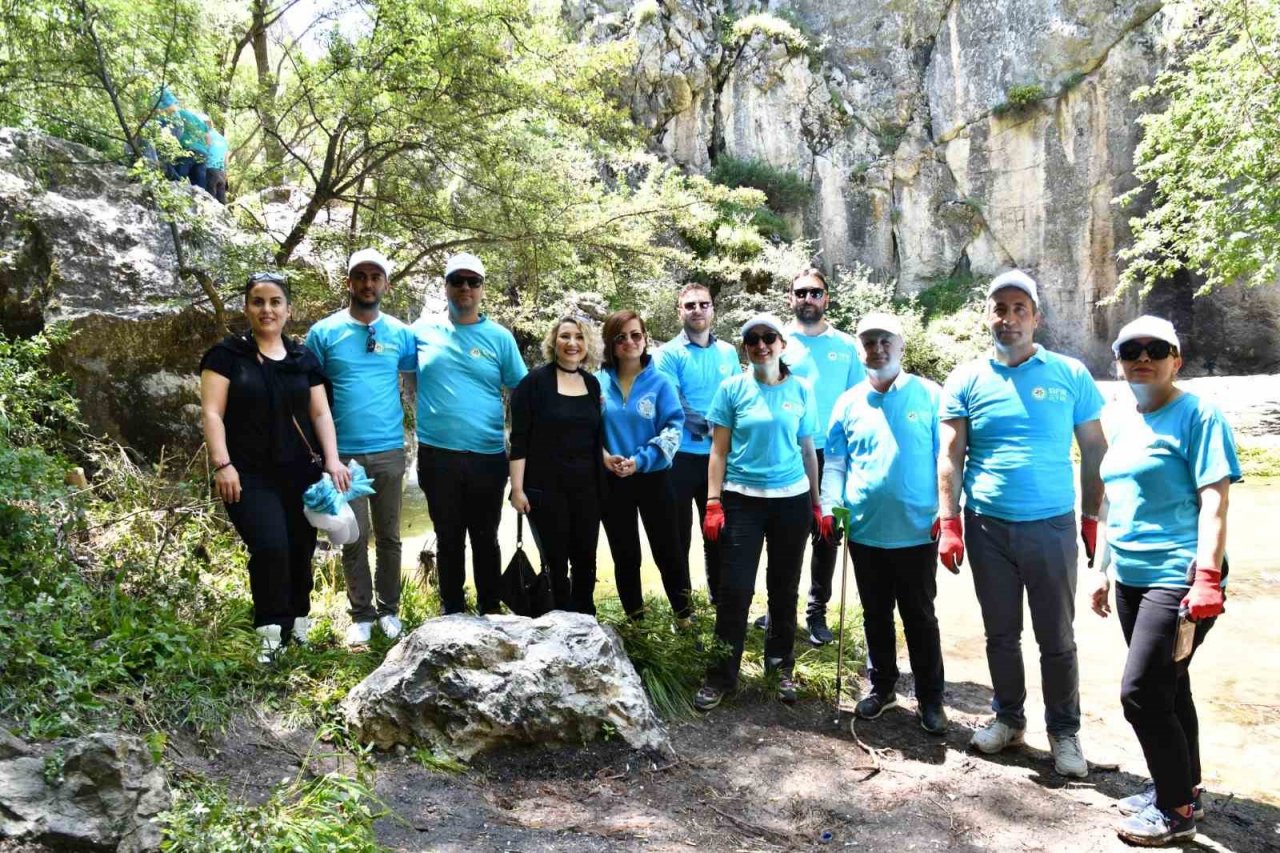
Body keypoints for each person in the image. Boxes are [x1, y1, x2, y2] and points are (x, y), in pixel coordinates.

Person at [937, 269, 1107, 778]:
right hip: (987, 525)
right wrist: (949, 521)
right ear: (987, 315)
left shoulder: (1070, 374)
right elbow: (950, 454)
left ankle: (1064, 732)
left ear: (1036, 317)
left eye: (1019, 309)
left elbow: (1096, 448)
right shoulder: (965, 378)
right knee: (1000, 633)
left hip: (1051, 524)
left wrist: (1092, 515)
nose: (1008, 318)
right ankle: (1009, 720)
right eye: (999, 308)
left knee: (1056, 637)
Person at [1088, 316, 1240, 846]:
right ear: (1120, 363)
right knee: (1170, 687)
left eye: (1157, 349)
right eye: (1132, 350)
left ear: (1177, 358)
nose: (1143, 358)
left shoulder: (1198, 413)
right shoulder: (1125, 418)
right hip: (1131, 576)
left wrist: (1206, 579)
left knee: (1141, 694)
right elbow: (1112, 500)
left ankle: (1174, 811)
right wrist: (1101, 571)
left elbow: (1215, 500)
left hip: (1179, 576)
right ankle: (1183, 787)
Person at [200, 272, 350, 662]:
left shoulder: (303, 358)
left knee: (301, 549)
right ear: (247, 308)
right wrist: (222, 464)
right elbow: (212, 414)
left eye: (275, 302)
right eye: (258, 302)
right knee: (270, 546)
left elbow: (321, 414)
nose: (267, 309)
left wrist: (332, 461)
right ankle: (270, 634)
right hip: (247, 474)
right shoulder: (226, 356)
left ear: (288, 310)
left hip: (300, 474)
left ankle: (298, 625)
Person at [820, 312, 947, 734]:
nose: (876, 348)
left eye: (884, 340)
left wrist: (946, 515)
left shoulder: (930, 396)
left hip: (916, 528)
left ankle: (931, 699)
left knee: (920, 617)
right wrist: (830, 504)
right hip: (865, 528)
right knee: (875, 613)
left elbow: (945, 462)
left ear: (901, 344)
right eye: (868, 341)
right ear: (860, 349)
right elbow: (836, 463)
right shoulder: (847, 401)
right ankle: (883, 687)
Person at [694, 313, 822, 711]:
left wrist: (817, 503)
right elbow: (718, 451)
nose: (761, 345)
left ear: (782, 344)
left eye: (769, 338)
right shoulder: (732, 389)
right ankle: (720, 676)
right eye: (753, 340)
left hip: (791, 502)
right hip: (742, 499)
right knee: (735, 590)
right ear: (745, 348)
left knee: (784, 588)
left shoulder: (801, 390)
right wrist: (713, 502)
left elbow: (808, 450)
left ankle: (780, 666)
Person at [305, 249, 417, 646]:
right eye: (361, 276)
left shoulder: (401, 334)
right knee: (352, 536)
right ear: (349, 282)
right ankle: (362, 614)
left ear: (386, 283)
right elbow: (309, 393)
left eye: (376, 277)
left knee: (389, 535)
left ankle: (389, 611)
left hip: (389, 449)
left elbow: (414, 382)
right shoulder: (323, 333)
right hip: (343, 456)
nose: (368, 284)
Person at [412, 253, 527, 615]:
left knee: (485, 537)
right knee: (448, 538)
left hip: (489, 455)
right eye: (457, 280)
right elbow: (402, 377)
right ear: (445, 286)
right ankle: (453, 609)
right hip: (436, 454)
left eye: (473, 281)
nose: (465, 287)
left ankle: (490, 608)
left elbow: (522, 393)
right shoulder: (420, 332)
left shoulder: (500, 338)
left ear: (481, 289)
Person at [759, 267, 865, 644]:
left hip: (833, 452)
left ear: (826, 299)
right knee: (783, 533)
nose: (808, 299)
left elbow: (859, 401)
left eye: (815, 293)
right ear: (790, 298)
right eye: (800, 292)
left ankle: (816, 614)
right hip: (787, 450)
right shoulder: (778, 341)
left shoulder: (847, 346)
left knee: (827, 534)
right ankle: (777, 607)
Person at [508, 316, 606, 614]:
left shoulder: (591, 384)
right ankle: (559, 619)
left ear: (587, 344)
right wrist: (517, 489)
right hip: (546, 491)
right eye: (565, 336)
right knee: (555, 562)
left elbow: (592, 438)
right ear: (554, 342)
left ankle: (586, 619)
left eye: (578, 337)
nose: (572, 343)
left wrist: (607, 458)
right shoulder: (533, 384)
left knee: (586, 560)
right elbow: (519, 440)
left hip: (587, 490)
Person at [597, 310, 691, 621]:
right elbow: (585, 430)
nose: (629, 342)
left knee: (669, 552)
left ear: (645, 338)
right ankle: (636, 623)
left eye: (635, 335)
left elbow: (673, 429)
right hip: (612, 480)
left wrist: (641, 460)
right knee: (625, 556)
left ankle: (685, 618)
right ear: (610, 343)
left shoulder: (660, 382)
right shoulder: (595, 384)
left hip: (654, 478)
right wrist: (605, 456)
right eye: (620, 337)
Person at [655, 284, 740, 603]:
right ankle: (683, 607)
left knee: (718, 533)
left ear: (712, 308)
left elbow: (735, 398)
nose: (697, 310)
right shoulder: (667, 354)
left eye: (704, 304)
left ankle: (720, 601)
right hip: (679, 460)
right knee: (678, 537)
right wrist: (716, 428)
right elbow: (675, 405)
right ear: (680, 310)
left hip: (719, 460)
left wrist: (724, 434)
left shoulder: (728, 353)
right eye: (690, 305)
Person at [204, 126, 228, 204]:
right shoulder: (223, 139)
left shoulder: (206, 134)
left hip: (210, 169)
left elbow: (205, 149)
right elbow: (226, 159)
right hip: (222, 172)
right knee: (221, 201)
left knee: (210, 199)